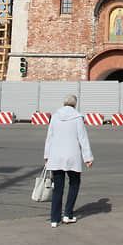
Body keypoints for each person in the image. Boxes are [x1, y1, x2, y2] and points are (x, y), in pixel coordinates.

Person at [43, 94, 94, 228]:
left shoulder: (54, 117)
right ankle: (68, 214)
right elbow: (82, 138)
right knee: (74, 183)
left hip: (56, 156)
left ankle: (54, 219)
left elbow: (50, 137)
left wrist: (46, 156)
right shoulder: (77, 117)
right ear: (75, 105)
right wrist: (87, 158)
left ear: (63, 103)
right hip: (72, 156)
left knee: (57, 188)